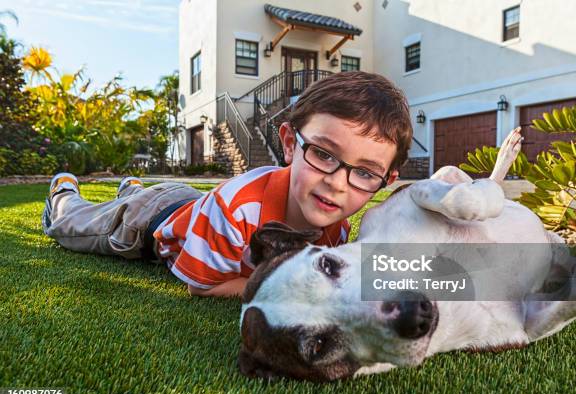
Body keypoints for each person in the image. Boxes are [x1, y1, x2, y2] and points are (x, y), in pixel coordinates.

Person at [42, 71, 520, 298]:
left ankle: (132, 185)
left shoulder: (336, 223)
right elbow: (202, 289)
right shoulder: (235, 211)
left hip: (188, 201)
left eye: (364, 173)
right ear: (290, 143)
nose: (336, 184)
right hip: (151, 225)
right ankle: (65, 192)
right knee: (81, 228)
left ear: (385, 181)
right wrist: (288, 283)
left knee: (163, 193)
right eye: (324, 154)